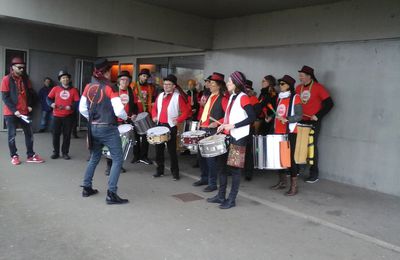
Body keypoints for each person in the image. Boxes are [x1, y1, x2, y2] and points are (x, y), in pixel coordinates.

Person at [79, 58, 129, 204]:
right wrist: (126, 118)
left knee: (94, 157)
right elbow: (119, 111)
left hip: (93, 127)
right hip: (108, 127)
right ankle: (111, 193)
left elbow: (82, 109)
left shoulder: (88, 87)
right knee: (118, 158)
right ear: (106, 72)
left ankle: (86, 187)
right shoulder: (110, 87)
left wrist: (93, 119)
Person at [208, 71, 255, 209]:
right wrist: (222, 124)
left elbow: (252, 117)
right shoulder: (232, 97)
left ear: (236, 83)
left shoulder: (243, 97)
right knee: (222, 167)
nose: (227, 83)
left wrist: (233, 125)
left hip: (239, 138)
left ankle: (232, 199)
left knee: (235, 170)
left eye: (229, 81)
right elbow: (230, 116)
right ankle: (221, 195)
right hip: (228, 136)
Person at [1, 57, 44, 165]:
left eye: (23, 68)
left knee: (29, 133)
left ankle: (30, 155)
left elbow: (31, 93)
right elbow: (5, 97)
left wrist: (30, 105)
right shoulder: (6, 79)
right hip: (11, 113)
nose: (21, 70)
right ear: (12, 67)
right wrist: (14, 110)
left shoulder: (25, 79)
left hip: (24, 112)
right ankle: (14, 156)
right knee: (12, 135)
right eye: (19, 68)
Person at [295, 65, 334, 183]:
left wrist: (318, 115)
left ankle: (314, 174)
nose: (300, 78)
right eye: (299, 76)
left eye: (302, 76)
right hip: (300, 121)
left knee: (311, 147)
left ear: (309, 76)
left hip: (313, 122)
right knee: (297, 146)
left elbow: (329, 104)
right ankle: (296, 170)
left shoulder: (318, 87)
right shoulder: (298, 88)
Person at [193, 72, 228, 192]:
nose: (210, 85)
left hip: (213, 131)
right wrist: (200, 121)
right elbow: (205, 113)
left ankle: (212, 183)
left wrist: (218, 122)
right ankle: (204, 178)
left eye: (212, 83)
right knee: (201, 156)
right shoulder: (209, 97)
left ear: (219, 85)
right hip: (203, 129)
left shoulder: (223, 99)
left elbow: (228, 116)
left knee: (211, 159)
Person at [151, 74, 191, 181]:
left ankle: (175, 173)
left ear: (174, 86)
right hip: (159, 125)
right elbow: (154, 108)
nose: (166, 86)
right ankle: (160, 170)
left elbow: (186, 112)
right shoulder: (159, 96)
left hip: (171, 126)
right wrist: (154, 116)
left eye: (169, 84)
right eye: (165, 84)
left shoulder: (178, 97)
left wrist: (178, 120)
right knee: (158, 150)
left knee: (172, 151)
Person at [270, 75, 303, 195]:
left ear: (289, 85)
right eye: (280, 84)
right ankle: (282, 182)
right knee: (280, 158)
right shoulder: (279, 98)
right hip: (278, 131)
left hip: (289, 131)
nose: (280, 86)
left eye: (283, 84)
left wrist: (287, 119)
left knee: (290, 159)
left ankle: (294, 186)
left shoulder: (295, 97)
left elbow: (299, 115)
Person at [104, 70, 138, 176]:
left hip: (125, 122)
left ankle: (119, 165)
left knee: (122, 145)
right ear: (119, 80)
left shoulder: (131, 91)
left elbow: (135, 105)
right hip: (113, 122)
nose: (125, 81)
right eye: (123, 79)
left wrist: (134, 114)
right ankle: (109, 167)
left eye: (127, 80)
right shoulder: (112, 90)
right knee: (110, 145)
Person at [47, 70, 80, 160]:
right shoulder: (55, 88)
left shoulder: (74, 90)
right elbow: (48, 98)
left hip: (68, 116)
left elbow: (77, 102)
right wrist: (51, 104)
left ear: (69, 79)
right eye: (63, 78)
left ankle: (65, 152)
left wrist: (71, 106)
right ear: (60, 80)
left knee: (67, 135)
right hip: (56, 116)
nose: (65, 79)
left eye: (66, 78)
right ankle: (56, 152)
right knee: (55, 135)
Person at [131, 68, 156, 165]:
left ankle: (144, 156)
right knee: (135, 136)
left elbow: (153, 99)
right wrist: (132, 113)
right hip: (135, 114)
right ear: (139, 76)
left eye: (146, 76)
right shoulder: (133, 86)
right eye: (143, 76)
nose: (145, 78)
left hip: (146, 114)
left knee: (146, 136)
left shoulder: (151, 87)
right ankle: (136, 156)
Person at [243, 79, 258, 181]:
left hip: (249, 128)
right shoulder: (240, 98)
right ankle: (236, 170)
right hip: (239, 127)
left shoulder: (254, 100)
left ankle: (248, 173)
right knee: (237, 149)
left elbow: (255, 114)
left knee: (248, 151)